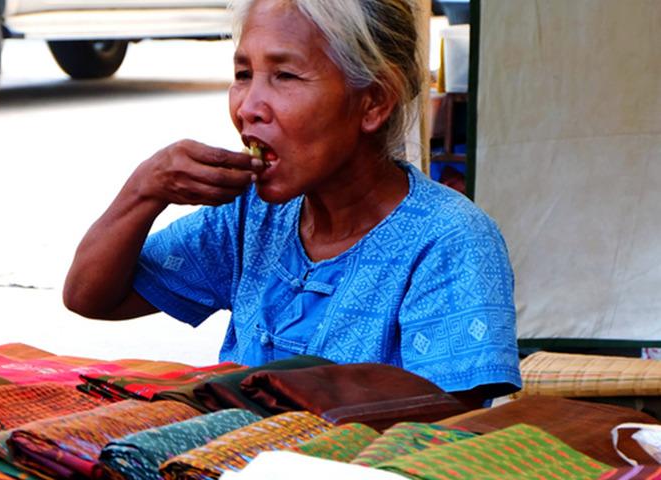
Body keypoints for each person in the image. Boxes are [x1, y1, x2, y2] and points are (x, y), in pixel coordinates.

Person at [64, 0, 521, 406]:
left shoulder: (449, 239)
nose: (249, 107)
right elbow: (91, 297)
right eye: (243, 75)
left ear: (373, 103)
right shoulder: (251, 215)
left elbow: (451, 416)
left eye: (284, 75)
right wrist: (144, 190)